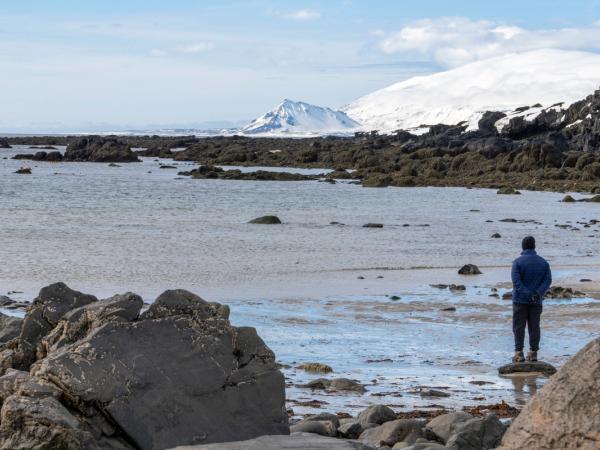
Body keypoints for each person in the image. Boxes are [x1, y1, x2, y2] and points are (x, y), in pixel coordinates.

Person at [511, 236, 552, 363]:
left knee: (519, 327)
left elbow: (516, 282)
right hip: (536, 300)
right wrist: (538, 293)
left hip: (520, 300)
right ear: (534, 246)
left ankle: (519, 353)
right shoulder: (543, 262)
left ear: (523, 246)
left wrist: (528, 293)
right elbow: (548, 280)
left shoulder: (517, 262)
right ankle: (533, 353)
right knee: (534, 327)